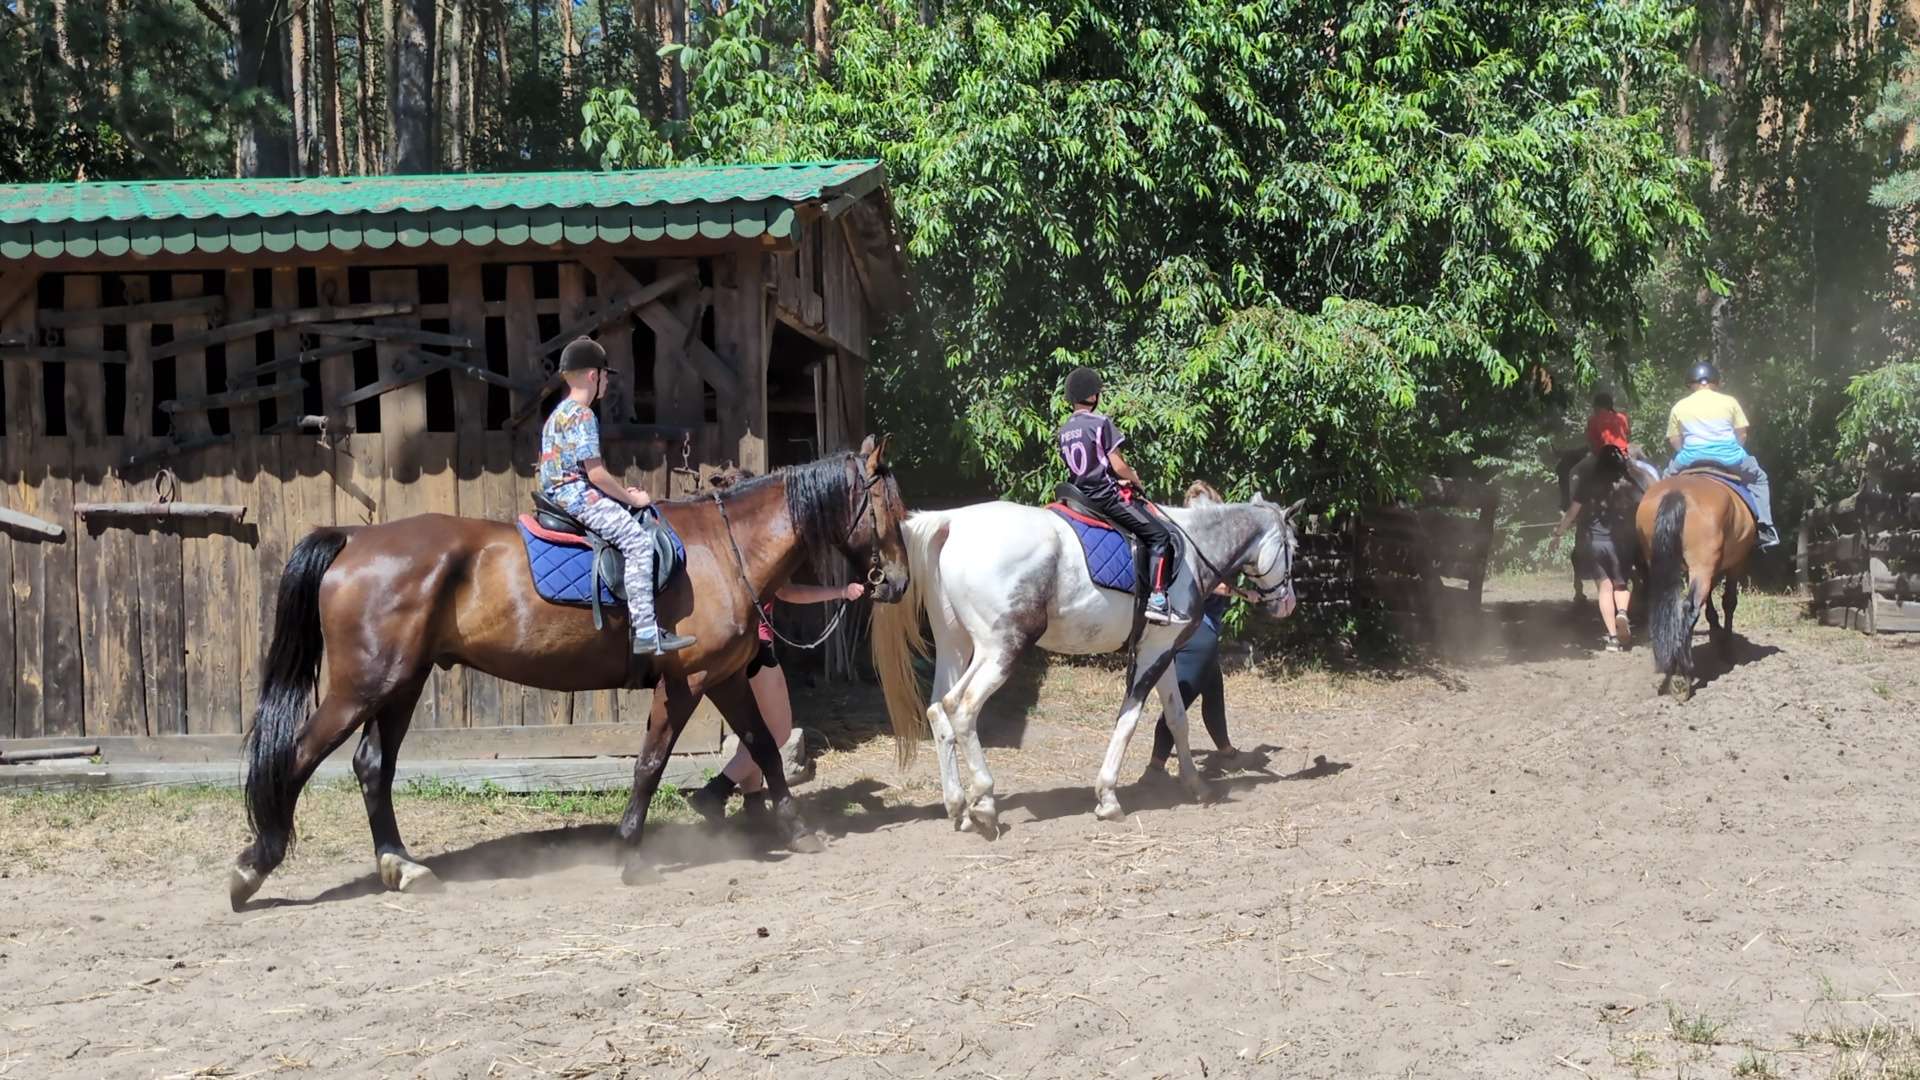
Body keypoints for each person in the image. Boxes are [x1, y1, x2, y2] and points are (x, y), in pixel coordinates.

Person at [685, 467, 866, 824]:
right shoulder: (758, 551)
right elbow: (789, 592)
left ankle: (753, 807)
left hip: (728, 653)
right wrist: (841, 592)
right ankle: (714, 792)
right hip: (756, 649)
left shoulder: (720, 548)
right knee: (778, 732)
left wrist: (840, 591)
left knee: (751, 732)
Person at [538, 336, 695, 655]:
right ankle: (646, 631)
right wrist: (632, 499)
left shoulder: (558, 414)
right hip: (576, 497)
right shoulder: (583, 415)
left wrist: (619, 494)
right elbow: (595, 475)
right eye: (605, 375)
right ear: (593, 376)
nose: (607, 382)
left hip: (559, 493)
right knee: (637, 542)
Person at [1056, 367, 1184, 625]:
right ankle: (1158, 599)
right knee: (1160, 536)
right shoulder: (1100, 423)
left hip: (1080, 496)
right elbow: (1118, 465)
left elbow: (1084, 467)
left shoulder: (1063, 431)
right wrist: (1135, 479)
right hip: (1105, 496)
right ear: (1092, 396)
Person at [1143, 481, 1239, 779]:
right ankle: (1155, 767)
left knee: (1213, 690)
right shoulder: (1187, 541)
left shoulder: (1201, 540)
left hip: (1202, 629)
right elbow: (1202, 582)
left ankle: (1226, 751)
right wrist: (1236, 591)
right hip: (1196, 631)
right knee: (1181, 697)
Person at [1664, 360, 1778, 548]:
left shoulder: (1679, 406)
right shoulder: (1730, 401)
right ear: (1715, 382)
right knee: (1759, 479)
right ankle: (1765, 528)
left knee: (1663, 483)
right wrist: (1734, 448)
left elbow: (1674, 439)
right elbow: (1742, 433)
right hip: (1729, 457)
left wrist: (1686, 452)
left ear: (1691, 383)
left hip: (1689, 458)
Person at [1551, 449, 1642, 651]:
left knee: (1604, 588)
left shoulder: (1587, 484)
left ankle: (1612, 638)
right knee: (1621, 586)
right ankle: (1622, 613)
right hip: (1620, 543)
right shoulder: (1627, 484)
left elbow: (1571, 514)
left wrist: (1558, 534)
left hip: (1594, 542)